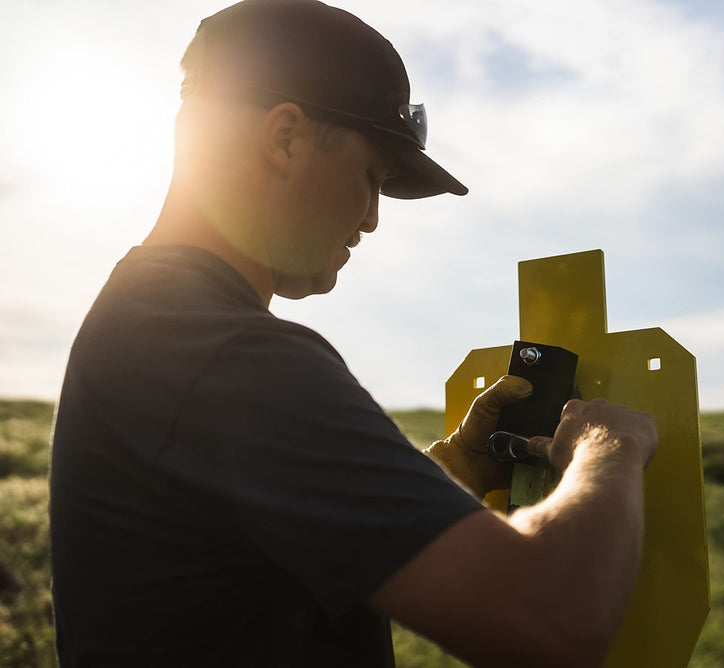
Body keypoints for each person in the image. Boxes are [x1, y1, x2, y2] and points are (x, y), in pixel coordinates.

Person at [48, 1, 658, 666]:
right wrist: (611, 446)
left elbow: (264, 556)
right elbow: (554, 618)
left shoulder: (156, 324)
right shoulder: (225, 356)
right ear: (285, 139)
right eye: (371, 178)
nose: (370, 219)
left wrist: (450, 472)